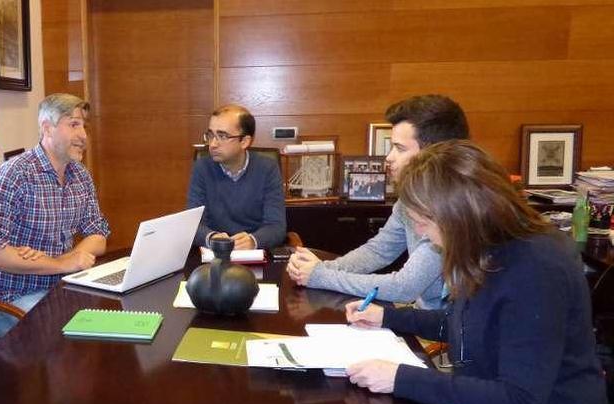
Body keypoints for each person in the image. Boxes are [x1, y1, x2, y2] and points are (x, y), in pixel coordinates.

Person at [345, 140, 614, 404]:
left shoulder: (535, 268)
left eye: (423, 223)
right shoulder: (491, 249)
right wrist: (388, 318)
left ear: (459, 214)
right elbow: (466, 326)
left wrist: (399, 378)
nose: (423, 235)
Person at [287, 95, 469, 309]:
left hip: (438, 331)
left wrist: (321, 276)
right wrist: (322, 268)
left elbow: (403, 287)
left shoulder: (452, 208)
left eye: (400, 149)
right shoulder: (408, 201)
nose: (389, 158)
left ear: (435, 154)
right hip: (420, 315)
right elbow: (378, 251)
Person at [0, 93, 110, 336]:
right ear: (47, 128)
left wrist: (67, 259)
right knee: (69, 337)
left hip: (62, 288)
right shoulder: (13, 175)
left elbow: (98, 235)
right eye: (74, 124)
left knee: (110, 320)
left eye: (84, 126)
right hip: (12, 299)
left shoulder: (80, 175)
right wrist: (60, 263)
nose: (83, 136)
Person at [187, 104, 286, 250]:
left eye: (222, 136)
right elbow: (193, 224)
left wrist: (253, 240)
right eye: (210, 135)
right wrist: (212, 237)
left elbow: (276, 226)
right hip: (215, 254)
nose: (213, 144)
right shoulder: (202, 167)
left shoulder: (267, 168)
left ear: (244, 141)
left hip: (254, 254)